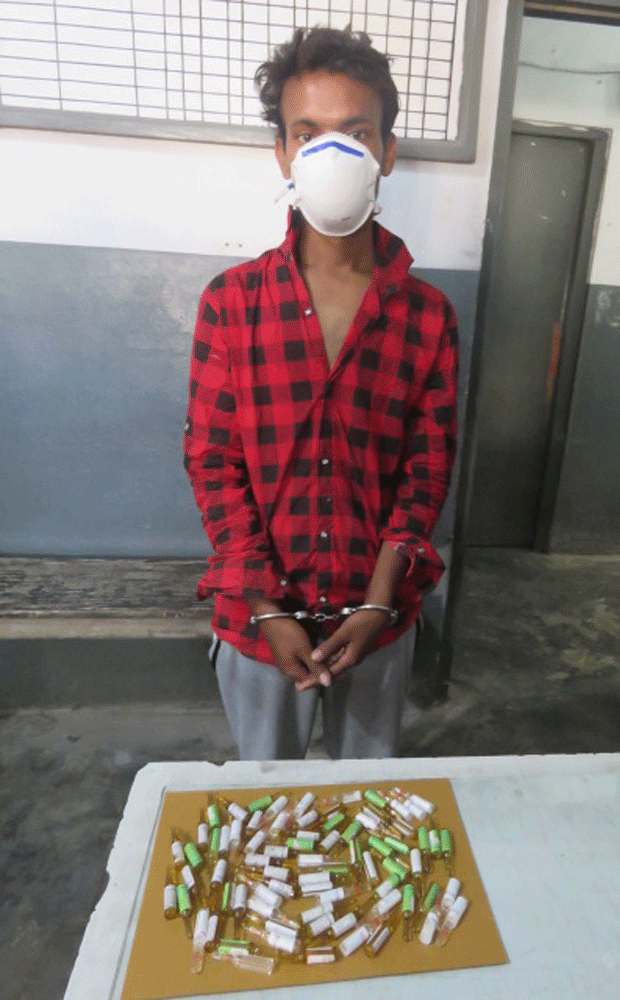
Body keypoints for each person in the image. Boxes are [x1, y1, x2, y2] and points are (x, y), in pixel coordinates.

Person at [184, 26, 458, 760]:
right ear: (282, 154)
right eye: (307, 134)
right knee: (269, 801)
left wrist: (379, 601)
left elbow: (426, 471)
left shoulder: (427, 316)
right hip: (260, 627)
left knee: (367, 801)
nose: (329, 154)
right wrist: (266, 608)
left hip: (377, 622)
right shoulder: (232, 303)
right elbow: (213, 464)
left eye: (355, 133)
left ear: (387, 152)